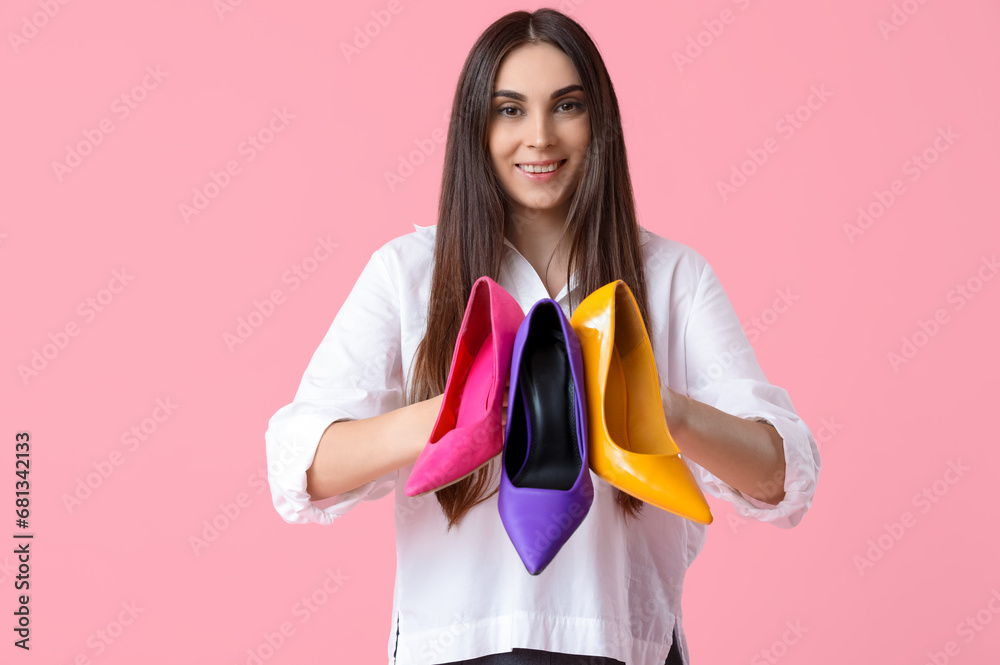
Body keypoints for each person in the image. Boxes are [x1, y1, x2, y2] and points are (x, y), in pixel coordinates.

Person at [264, 8, 821, 665]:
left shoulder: (673, 278)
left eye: (567, 105)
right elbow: (301, 469)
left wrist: (660, 410)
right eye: (509, 109)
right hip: (454, 645)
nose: (539, 136)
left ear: (600, 121)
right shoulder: (408, 273)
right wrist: (457, 413)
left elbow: (782, 478)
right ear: (476, 125)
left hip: (617, 644)